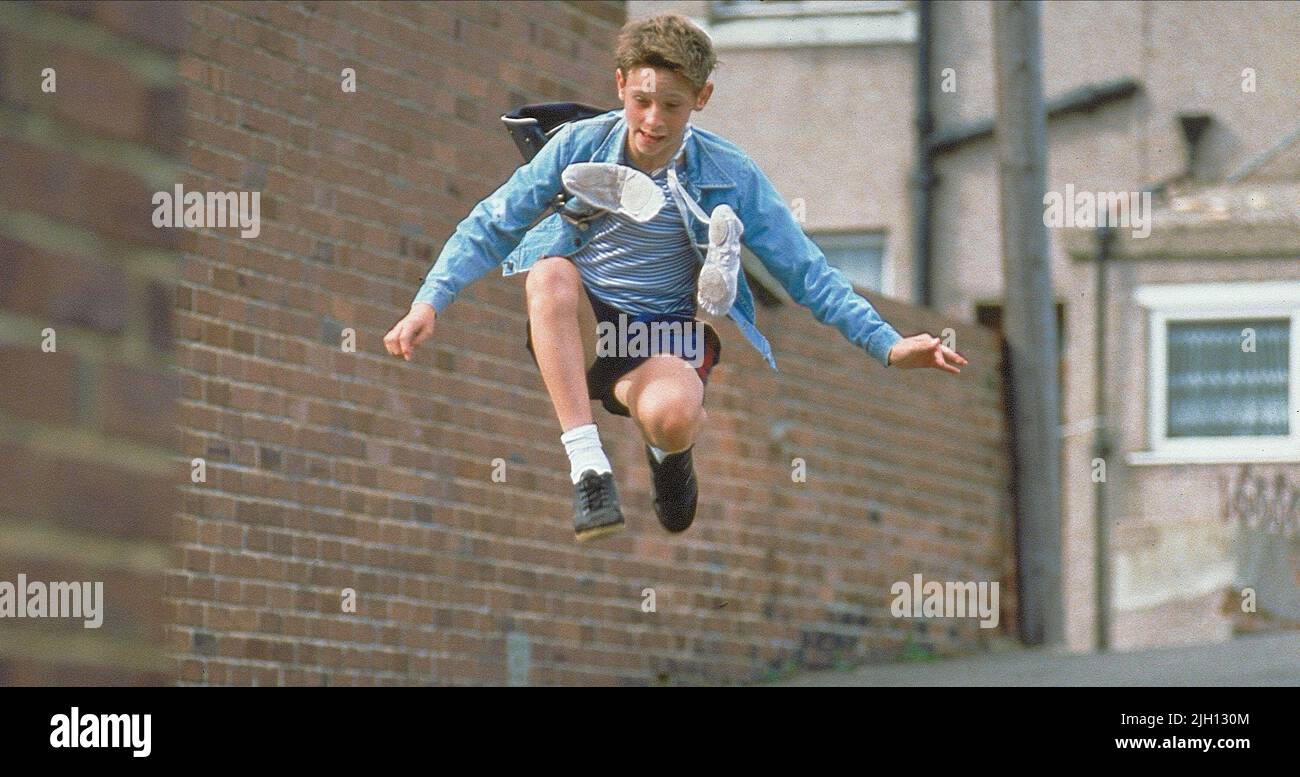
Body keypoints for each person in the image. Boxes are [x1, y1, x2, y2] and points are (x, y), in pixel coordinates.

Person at [384, 14, 967, 542]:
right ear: (620, 86)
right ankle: (589, 470)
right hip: (583, 326)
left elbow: (806, 271)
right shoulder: (577, 146)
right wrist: (429, 301)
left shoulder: (729, 172)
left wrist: (887, 342)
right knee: (549, 272)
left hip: (657, 341)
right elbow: (492, 222)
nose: (653, 121)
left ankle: (670, 456)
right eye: (642, 101)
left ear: (702, 98)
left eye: (672, 106)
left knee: (676, 415)